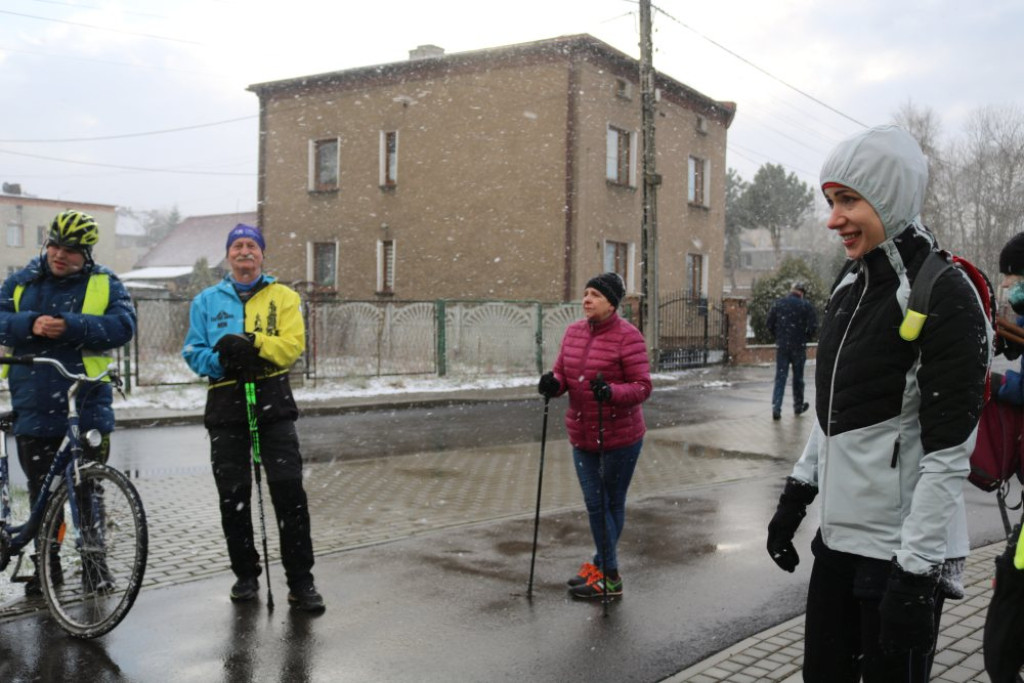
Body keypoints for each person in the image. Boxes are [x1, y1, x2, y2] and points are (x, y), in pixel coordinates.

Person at [764, 125, 990, 681]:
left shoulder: (944, 294)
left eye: (848, 200)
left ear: (889, 197)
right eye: (830, 201)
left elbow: (947, 457)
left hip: (896, 560)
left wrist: (914, 579)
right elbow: (835, 413)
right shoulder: (850, 283)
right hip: (836, 547)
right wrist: (796, 496)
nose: (833, 218)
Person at [182, 223, 325, 613]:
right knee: (234, 496)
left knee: (289, 493)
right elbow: (193, 352)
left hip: (272, 401)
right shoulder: (206, 301)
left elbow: (292, 346)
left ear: (262, 254)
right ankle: (245, 574)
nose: (244, 252)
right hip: (226, 403)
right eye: (237, 246)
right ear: (228, 255)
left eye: (251, 246)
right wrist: (222, 358)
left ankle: (301, 580)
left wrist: (254, 343)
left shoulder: (284, 297)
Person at [0, 209, 136, 595]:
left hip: (86, 402)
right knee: (44, 492)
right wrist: (30, 324)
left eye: (71, 250)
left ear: (87, 253)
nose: (59, 255)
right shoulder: (21, 281)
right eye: (55, 245)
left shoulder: (105, 283)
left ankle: (95, 565)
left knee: (86, 490)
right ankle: (48, 565)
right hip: (35, 404)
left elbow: (124, 327)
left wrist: (71, 326)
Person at [538, 272, 652, 599]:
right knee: (597, 503)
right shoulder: (573, 332)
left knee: (608, 503)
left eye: (595, 295)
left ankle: (610, 576)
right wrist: (553, 385)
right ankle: (602, 566)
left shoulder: (628, 337)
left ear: (612, 304)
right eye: (585, 293)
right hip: (583, 436)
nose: (586, 300)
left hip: (620, 438)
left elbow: (643, 386)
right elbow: (563, 375)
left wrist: (611, 392)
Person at [766, 282, 817, 420]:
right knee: (798, 378)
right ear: (801, 292)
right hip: (798, 347)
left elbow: (769, 324)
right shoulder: (806, 305)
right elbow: (813, 326)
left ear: (792, 291)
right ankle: (798, 406)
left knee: (780, 378)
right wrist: (804, 337)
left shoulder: (779, 303)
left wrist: (779, 336)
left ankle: (776, 408)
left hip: (782, 346)